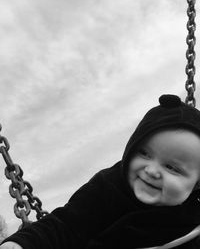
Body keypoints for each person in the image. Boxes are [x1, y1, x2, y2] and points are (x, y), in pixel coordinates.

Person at [1, 94, 200, 249]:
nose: (152, 170)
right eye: (144, 153)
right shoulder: (107, 188)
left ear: (196, 183)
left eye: (171, 167)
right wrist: (23, 243)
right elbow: (66, 225)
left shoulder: (192, 221)